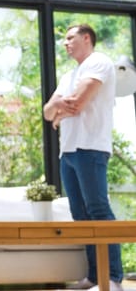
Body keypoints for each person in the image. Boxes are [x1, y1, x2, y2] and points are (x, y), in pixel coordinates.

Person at [43, 24, 123, 291]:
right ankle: (94, 276)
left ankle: (112, 278)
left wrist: (60, 111)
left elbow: (76, 103)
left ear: (86, 38)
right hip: (68, 151)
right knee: (81, 215)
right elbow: (46, 112)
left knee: (98, 210)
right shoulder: (69, 74)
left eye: (70, 38)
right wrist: (57, 110)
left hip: (90, 147)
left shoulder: (98, 62)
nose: (65, 43)